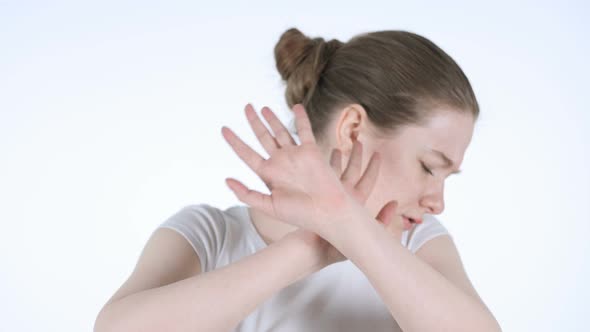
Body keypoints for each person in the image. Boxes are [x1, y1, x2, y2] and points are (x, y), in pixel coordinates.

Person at [94, 28, 502, 331]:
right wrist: (313, 246)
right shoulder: (211, 236)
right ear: (353, 129)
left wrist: (352, 230)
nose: (438, 202)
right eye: (430, 167)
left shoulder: (419, 243)